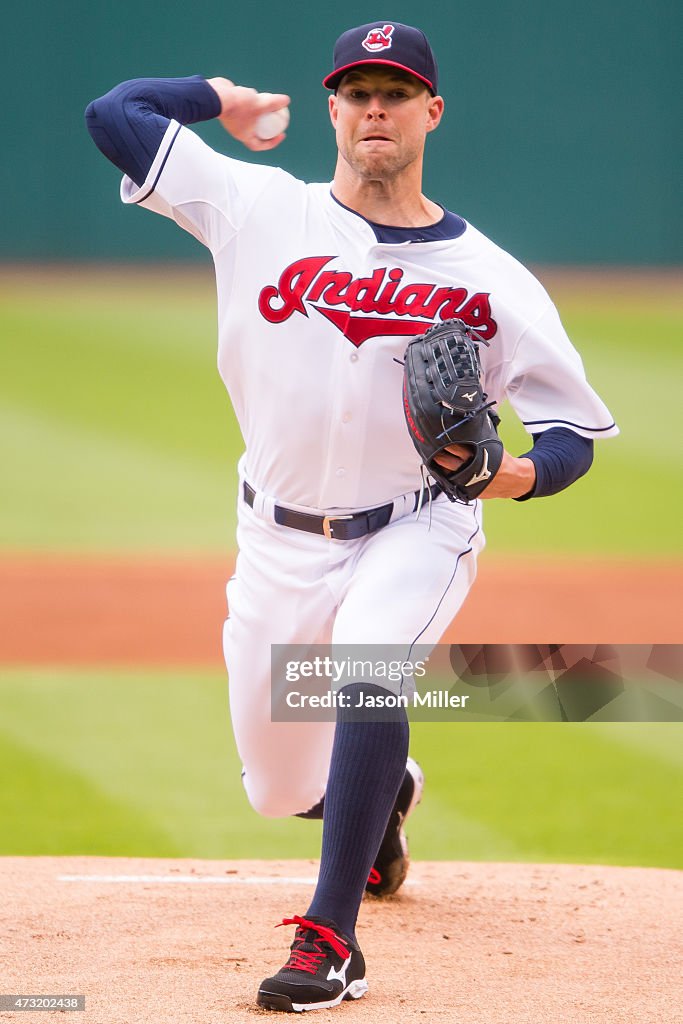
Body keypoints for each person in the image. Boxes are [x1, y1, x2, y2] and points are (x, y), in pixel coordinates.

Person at [85, 20, 617, 1013]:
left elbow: (571, 439)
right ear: (331, 108)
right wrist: (221, 98)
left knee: (369, 661)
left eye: (395, 91)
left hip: (418, 524)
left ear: (431, 111)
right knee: (276, 789)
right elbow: (114, 115)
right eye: (356, 91)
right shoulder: (255, 206)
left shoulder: (491, 277)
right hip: (274, 538)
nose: (375, 108)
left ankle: (331, 944)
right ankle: (381, 801)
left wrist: (502, 477)